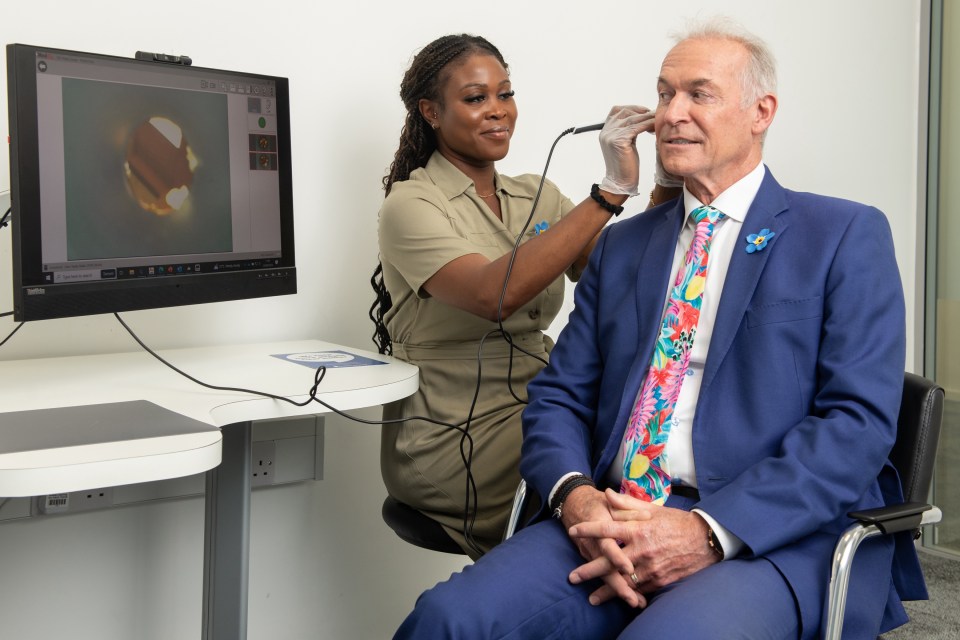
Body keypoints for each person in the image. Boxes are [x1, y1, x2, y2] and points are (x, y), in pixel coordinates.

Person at [392, 18, 926, 640]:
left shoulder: (841, 235)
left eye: (699, 94)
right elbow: (561, 394)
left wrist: (706, 532)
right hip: (613, 515)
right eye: (665, 93)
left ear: (761, 112)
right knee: (447, 620)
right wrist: (576, 499)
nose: (673, 113)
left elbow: (855, 425)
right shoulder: (622, 246)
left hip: (768, 535)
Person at [371, 34, 679, 559]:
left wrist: (667, 178)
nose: (498, 112)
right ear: (431, 112)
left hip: (544, 406)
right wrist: (608, 193)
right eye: (475, 99)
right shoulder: (410, 205)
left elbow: (634, 273)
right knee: (612, 479)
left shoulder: (536, 194)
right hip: (453, 436)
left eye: (505, 94)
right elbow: (497, 294)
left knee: (657, 448)